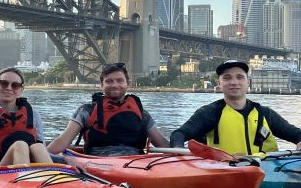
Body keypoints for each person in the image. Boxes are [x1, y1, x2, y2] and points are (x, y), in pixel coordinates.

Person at [169, 60, 301, 154]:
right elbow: (179, 134)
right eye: (227, 78)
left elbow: (296, 134)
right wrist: (178, 149)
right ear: (219, 83)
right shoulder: (209, 113)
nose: (234, 82)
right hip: (225, 171)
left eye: (239, 77)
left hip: (265, 171)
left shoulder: (265, 114)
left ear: (248, 82)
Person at [47, 62, 169, 156]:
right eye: (109, 81)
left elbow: (163, 144)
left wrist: (178, 147)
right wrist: (42, 156)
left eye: (119, 80)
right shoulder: (86, 111)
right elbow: (63, 141)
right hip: (97, 162)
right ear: (102, 85)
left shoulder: (142, 114)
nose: (114, 85)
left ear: (127, 83)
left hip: (136, 163)